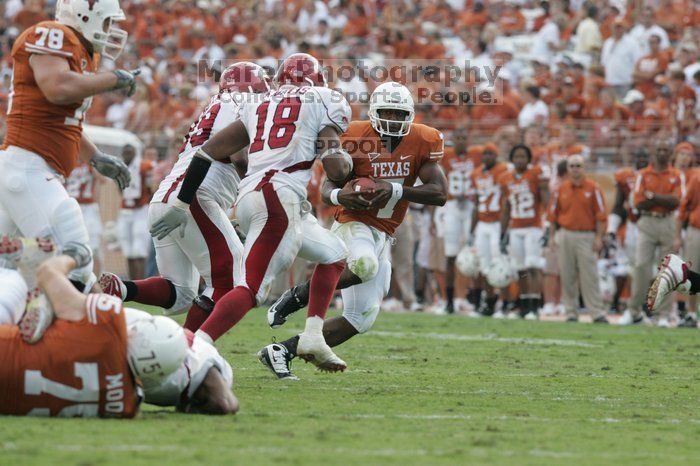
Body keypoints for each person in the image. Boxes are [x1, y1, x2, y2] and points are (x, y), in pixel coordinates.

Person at [149, 53, 353, 371]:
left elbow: (207, 151)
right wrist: (345, 161)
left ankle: (313, 336)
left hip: (250, 197)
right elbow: (336, 169)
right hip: (278, 198)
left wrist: (180, 202)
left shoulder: (259, 103)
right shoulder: (322, 100)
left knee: (334, 253)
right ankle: (194, 347)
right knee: (250, 288)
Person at [258, 81, 447, 380]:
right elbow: (326, 188)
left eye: (399, 114)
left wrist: (395, 190)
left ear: (409, 114)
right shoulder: (354, 135)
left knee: (361, 319)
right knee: (364, 265)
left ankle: (282, 351)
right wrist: (339, 196)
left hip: (384, 231)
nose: (393, 120)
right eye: (387, 112)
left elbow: (439, 192)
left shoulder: (424, 139)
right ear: (374, 111)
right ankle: (296, 297)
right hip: (353, 221)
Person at [100, 62, 268, 329]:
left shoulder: (214, 105)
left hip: (166, 198)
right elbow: (238, 156)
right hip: (194, 198)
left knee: (180, 293)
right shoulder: (243, 102)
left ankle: (119, 289)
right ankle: (190, 348)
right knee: (229, 281)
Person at [0, 0, 136, 291]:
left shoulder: (81, 51)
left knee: (5, 270)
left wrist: (96, 156)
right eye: (107, 22)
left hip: (26, 170)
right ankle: (91, 330)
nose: (111, 30)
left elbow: (66, 122)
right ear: (85, 15)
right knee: (74, 256)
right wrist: (111, 80)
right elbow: (57, 88)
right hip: (28, 167)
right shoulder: (53, 33)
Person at [0, 237, 187, 418]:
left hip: (6, 347)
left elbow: (47, 272)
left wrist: (77, 255)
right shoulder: (125, 405)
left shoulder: (108, 323)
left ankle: (46, 300)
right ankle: (45, 304)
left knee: (16, 274)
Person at [623, 141, 684, 327]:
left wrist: (653, 196)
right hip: (647, 221)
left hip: (667, 221)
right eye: (659, 149)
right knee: (641, 265)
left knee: (666, 270)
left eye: (666, 150)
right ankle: (633, 310)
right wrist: (659, 200)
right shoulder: (643, 174)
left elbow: (676, 201)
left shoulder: (676, 175)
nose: (662, 153)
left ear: (671, 153)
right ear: (653, 152)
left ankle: (663, 314)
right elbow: (638, 202)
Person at [547, 154, 608, 323]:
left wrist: (598, 237)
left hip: (586, 236)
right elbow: (552, 215)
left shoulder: (593, 188)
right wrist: (552, 237)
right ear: (567, 169)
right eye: (572, 166)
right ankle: (571, 312)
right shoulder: (560, 189)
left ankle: (596, 312)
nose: (575, 169)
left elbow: (601, 215)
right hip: (565, 234)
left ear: (584, 168)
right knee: (567, 275)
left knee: (590, 275)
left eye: (578, 166)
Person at [499, 144, 549, 319]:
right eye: (517, 157)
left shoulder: (536, 174)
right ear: (512, 159)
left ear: (529, 159)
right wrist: (502, 232)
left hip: (533, 227)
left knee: (533, 266)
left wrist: (547, 225)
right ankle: (524, 305)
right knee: (520, 269)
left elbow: (546, 201)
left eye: (523, 157)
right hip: (516, 228)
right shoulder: (505, 178)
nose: (520, 160)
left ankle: (535, 307)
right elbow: (506, 208)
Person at [440, 127, 481, 314]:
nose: (461, 141)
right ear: (453, 139)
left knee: (476, 252)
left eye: (464, 137)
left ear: (469, 139)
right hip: (453, 206)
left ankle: (476, 299)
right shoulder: (446, 155)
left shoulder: (477, 154)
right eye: (458, 137)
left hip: (471, 207)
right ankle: (449, 301)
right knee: (450, 255)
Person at [606, 148, 649, 314]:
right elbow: (618, 205)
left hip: (651, 223)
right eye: (639, 155)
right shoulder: (626, 177)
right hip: (632, 225)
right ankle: (618, 303)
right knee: (629, 266)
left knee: (650, 267)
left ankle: (648, 304)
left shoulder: (655, 175)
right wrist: (611, 229)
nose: (641, 159)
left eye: (644, 156)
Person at [469, 143, 511, 316]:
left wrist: (504, 228)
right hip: (483, 224)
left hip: (497, 223)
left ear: (497, 155)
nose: (487, 157)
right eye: (484, 153)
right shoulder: (476, 173)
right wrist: (472, 230)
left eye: (490, 153)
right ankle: (489, 301)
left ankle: (507, 303)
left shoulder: (504, 170)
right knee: (484, 265)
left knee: (500, 264)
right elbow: (477, 202)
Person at [118, 144, 154, 280]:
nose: (127, 154)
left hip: (141, 209)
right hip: (126, 210)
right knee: (128, 248)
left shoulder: (145, 166)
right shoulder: (120, 167)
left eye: (129, 152)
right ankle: (133, 283)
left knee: (139, 248)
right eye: (125, 152)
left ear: (135, 153)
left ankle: (141, 283)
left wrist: (146, 204)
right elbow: (120, 188)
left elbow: (151, 188)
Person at [65, 161, 104, 275]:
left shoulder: (90, 163)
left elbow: (103, 179)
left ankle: (96, 281)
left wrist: (94, 165)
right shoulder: (67, 161)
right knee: (70, 246)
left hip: (88, 208)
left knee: (93, 248)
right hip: (70, 206)